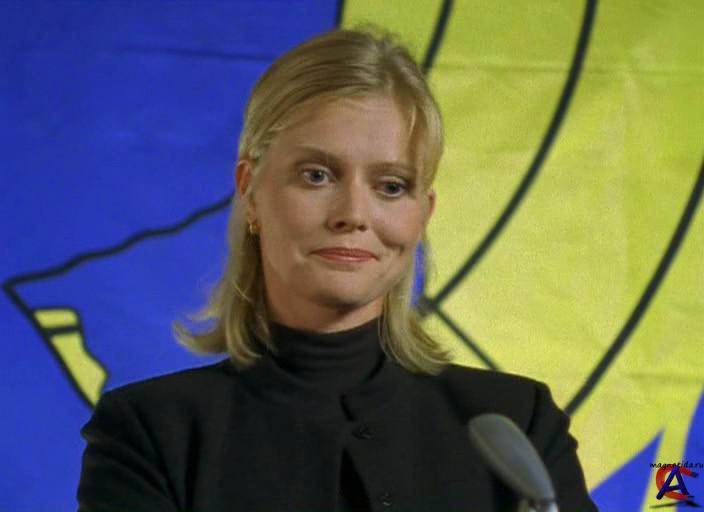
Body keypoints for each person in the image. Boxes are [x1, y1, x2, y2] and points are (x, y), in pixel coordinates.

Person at [77, 28, 598, 511]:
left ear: (423, 214)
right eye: (317, 175)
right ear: (250, 190)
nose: (353, 214)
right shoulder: (150, 434)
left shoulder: (517, 424)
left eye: (391, 186)